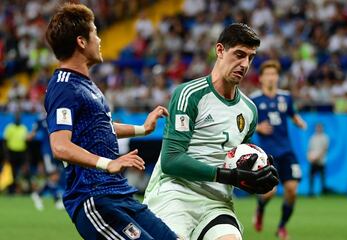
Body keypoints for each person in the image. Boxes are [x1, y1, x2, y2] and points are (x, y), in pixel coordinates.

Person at [44, 3, 178, 240]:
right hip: (94, 199)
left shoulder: (86, 85)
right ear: (81, 41)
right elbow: (60, 146)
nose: (99, 39)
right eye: (95, 32)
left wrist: (143, 129)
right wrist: (108, 163)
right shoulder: (64, 87)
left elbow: (100, 129)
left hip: (119, 194)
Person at [143, 23, 279, 240]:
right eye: (239, 55)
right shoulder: (189, 94)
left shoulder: (249, 110)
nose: (244, 64)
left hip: (217, 203)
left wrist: (254, 178)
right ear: (220, 51)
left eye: (250, 58)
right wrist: (230, 176)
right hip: (175, 194)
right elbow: (171, 160)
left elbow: (240, 162)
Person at [250, 60, 307, 240]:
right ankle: (260, 209)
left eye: (274, 74)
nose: (271, 77)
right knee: (270, 192)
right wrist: (258, 128)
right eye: (267, 74)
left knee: (292, 191)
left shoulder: (286, 97)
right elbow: (245, 124)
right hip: (267, 154)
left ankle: (281, 227)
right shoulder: (254, 100)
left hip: (287, 151)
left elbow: (292, 114)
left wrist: (298, 121)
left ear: (277, 77)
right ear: (261, 78)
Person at [28, 110, 64, 210]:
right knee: (54, 175)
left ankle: (38, 194)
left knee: (56, 176)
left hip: (57, 150)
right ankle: (57, 200)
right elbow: (33, 132)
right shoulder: (41, 118)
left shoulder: (58, 116)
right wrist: (29, 136)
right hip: (48, 151)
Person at [307, 122, 329, 196]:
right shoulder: (313, 137)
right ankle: (311, 192)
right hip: (313, 161)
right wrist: (310, 157)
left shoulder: (325, 137)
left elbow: (324, 149)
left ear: (322, 128)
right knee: (311, 176)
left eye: (320, 127)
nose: (318, 128)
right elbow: (309, 149)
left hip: (321, 161)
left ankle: (324, 191)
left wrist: (317, 157)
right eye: (317, 127)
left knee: (322, 177)